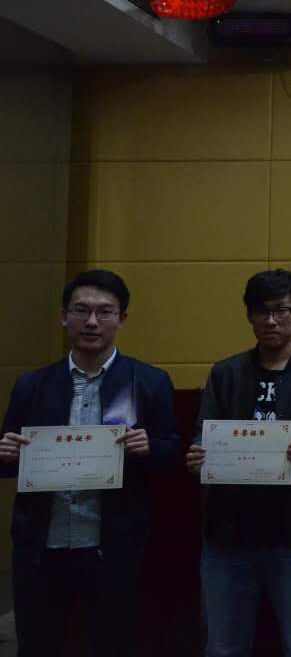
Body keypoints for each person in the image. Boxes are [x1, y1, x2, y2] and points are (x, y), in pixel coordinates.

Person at [0, 270, 179, 657]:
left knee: (113, 645)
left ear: (122, 318)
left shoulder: (148, 382)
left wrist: (150, 447)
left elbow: (172, 456)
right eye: (81, 311)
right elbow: (8, 460)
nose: (92, 322)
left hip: (113, 548)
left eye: (104, 312)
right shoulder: (32, 385)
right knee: (38, 646)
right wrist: (7, 453)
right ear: (63, 317)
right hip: (42, 548)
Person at [186, 269, 291, 657]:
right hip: (228, 535)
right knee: (223, 647)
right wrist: (199, 455)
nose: (270, 321)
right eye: (261, 311)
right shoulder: (225, 374)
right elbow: (202, 434)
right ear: (248, 315)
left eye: (281, 310)